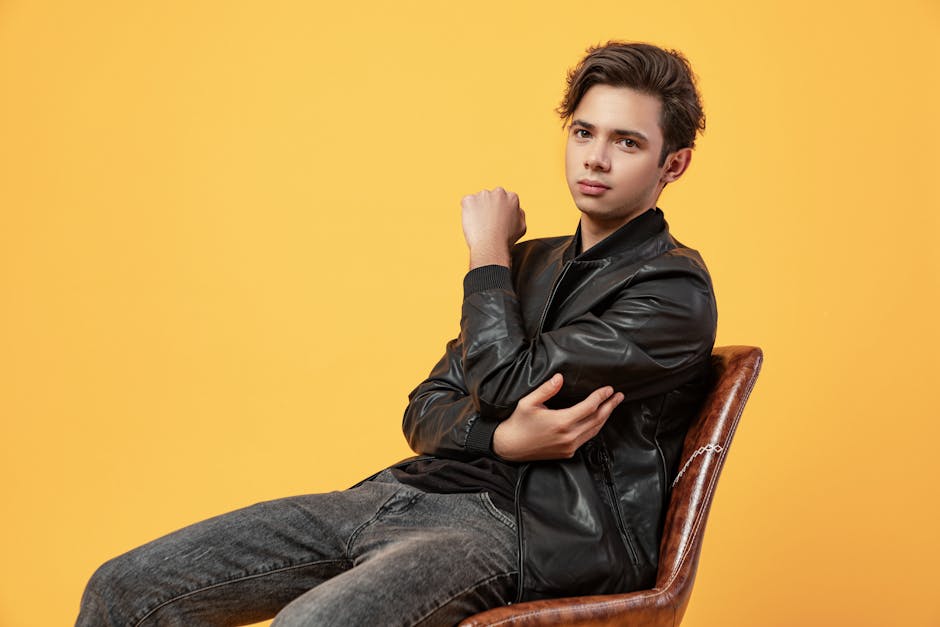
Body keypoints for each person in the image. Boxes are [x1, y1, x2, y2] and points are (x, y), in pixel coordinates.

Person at [76, 41, 717, 626]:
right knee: (124, 588)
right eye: (583, 132)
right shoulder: (528, 265)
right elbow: (426, 406)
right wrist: (502, 438)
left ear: (675, 163)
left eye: (627, 142)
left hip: (526, 532)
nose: (595, 158)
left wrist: (487, 252)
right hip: (407, 492)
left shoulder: (672, 292)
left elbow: (500, 380)